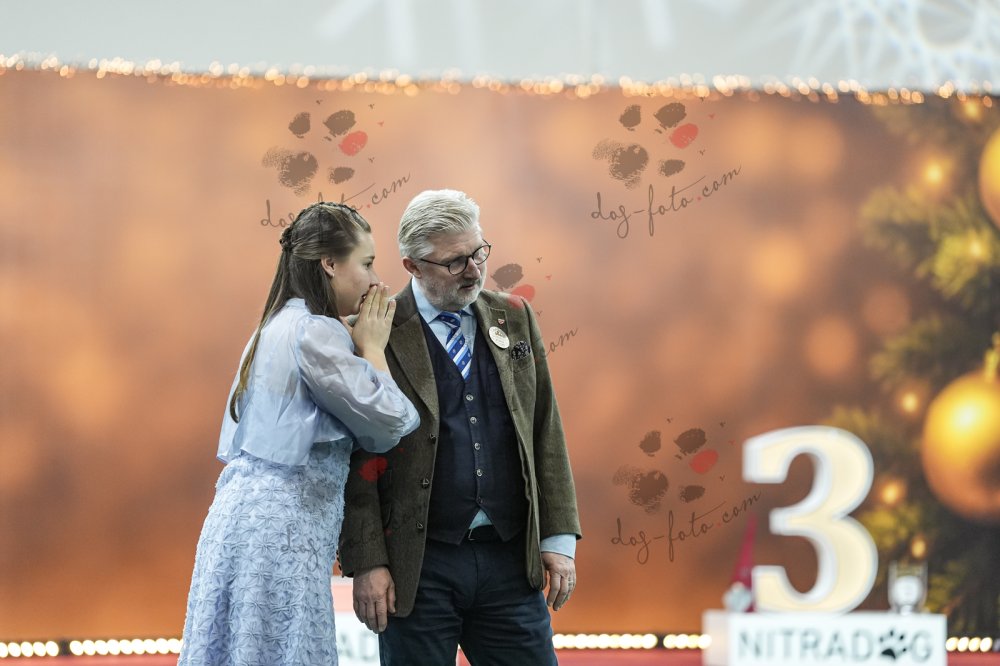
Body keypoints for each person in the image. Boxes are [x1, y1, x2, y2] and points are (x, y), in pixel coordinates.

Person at [338, 189, 581, 665]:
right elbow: (354, 459)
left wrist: (558, 539)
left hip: (511, 560)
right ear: (412, 266)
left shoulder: (515, 316)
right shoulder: (370, 330)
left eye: (478, 252)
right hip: (417, 566)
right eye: (454, 262)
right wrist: (367, 561)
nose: (473, 270)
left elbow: (545, 428)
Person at [179, 202, 420, 665]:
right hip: (283, 532)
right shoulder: (316, 332)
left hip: (240, 521)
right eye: (367, 263)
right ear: (329, 263)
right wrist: (373, 349)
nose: (376, 280)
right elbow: (392, 422)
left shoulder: (277, 322)